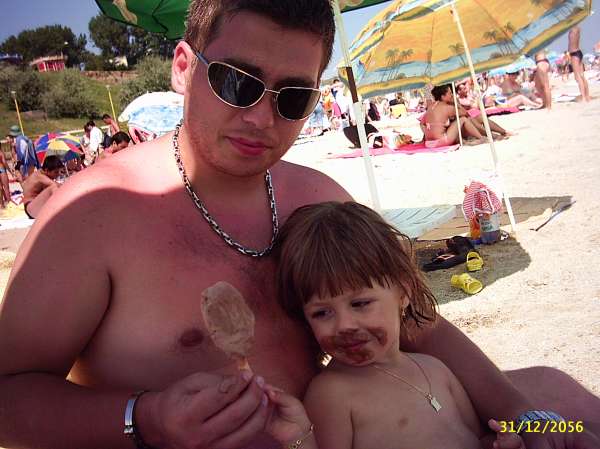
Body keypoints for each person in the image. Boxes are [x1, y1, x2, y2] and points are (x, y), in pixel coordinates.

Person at [0, 2, 598, 449]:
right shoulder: (91, 215)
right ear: (183, 68)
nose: (262, 118)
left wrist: (525, 416)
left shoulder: (319, 197)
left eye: (293, 97)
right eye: (237, 82)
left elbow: (419, 324)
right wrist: (144, 419)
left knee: (566, 401)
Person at [266, 201, 531, 449]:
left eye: (360, 304)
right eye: (322, 313)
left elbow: (475, 437)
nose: (344, 325)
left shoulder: (436, 370)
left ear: (403, 292)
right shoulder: (332, 395)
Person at [422, 84, 486, 147]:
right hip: (441, 141)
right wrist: (456, 103)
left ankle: (477, 137)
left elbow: (422, 123)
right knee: (463, 119)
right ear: (443, 96)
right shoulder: (447, 108)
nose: (452, 95)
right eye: (450, 93)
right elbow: (465, 113)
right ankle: (481, 138)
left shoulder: (430, 107)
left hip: (428, 143)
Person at [21, 155, 62, 219]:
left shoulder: (40, 174)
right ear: (47, 170)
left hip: (33, 206)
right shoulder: (39, 176)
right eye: (56, 172)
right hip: (30, 208)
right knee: (53, 187)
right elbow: (56, 185)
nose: (58, 174)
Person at [568, 26, 590, 102]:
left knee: (578, 77)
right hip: (577, 52)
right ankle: (587, 96)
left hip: (574, 54)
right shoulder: (577, 29)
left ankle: (583, 97)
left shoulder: (574, 29)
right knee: (581, 76)